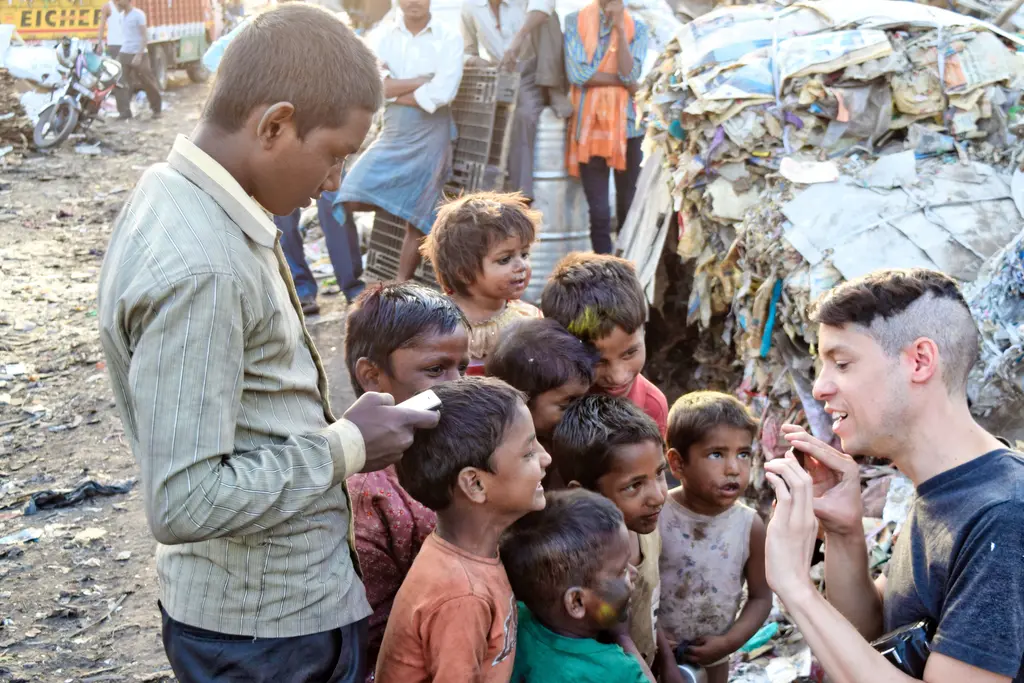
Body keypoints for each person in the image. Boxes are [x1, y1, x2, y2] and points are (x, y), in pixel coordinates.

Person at [96, 7, 440, 681]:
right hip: (263, 636)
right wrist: (347, 445)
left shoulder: (186, 194)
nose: (336, 179)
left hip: (266, 616)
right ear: (274, 125)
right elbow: (185, 499)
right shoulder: (204, 266)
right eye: (336, 153)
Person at [760, 268, 1024, 683]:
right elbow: (871, 632)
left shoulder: (1003, 516)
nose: (820, 388)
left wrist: (795, 586)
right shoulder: (940, 488)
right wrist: (843, 532)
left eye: (841, 363)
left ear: (920, 361)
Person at [375, 377, 552, 682]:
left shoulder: (466, 555)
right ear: (475, 484)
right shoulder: (462, 598)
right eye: (528, 453)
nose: (546, 457)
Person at [200, 6, 366, 315]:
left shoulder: (327, 24)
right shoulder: (261, 29)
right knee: (283, 216)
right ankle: (302, 288)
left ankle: (351, 285)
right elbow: (214, 61)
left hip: (316, 133)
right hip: (291, 141)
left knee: (334, 207)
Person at [343, 282, 470, 674]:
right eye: (435, 370)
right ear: (372, 377)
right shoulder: (368, 489)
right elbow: (373, 625)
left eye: (462, 367)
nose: (456, 385)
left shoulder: (459, 443)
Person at [552, 395, 682, 682]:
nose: (659, 495)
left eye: (659, 474)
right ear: (583, 493)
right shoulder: (590, 568)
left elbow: (648, 600)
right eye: (634, 485)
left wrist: (667, 661)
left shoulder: (645, 528)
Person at [339, 0, 463, 282]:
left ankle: (401, 283)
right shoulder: (381, 36)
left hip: (431, 135)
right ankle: (359, 279)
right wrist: (421, 80)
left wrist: (394, 88)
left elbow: (443, 93)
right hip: (394, 132)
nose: (413, 2)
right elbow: (371, 87)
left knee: (417, 217)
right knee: (347, 196)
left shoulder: (449, 36)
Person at [659, 392, 772, 683]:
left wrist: (729, 642)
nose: (734, 468)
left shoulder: (749, 526)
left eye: (743, 454)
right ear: (677, 463)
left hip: (714, 660)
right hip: (654, 655)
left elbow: (761, 598)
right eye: (717, 454)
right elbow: (636, 593)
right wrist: (658, 642)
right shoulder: (656, 517)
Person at [501, 488, 656, 682]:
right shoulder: (614, 670)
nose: (634, 573)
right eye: (622, 570)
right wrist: (624, 637)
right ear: (577, 602)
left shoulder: (515, 623)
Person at [540, 252, 667, 437]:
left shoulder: (651, 406)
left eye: (630, 353)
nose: (618, 377)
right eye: (598, 361)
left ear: (644, 330)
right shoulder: (549, 405)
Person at [420, 192, 543, 375]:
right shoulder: (436, 325)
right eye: (505, 259)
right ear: (463, 273)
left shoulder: (528, 320)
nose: (521, 266)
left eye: (524, 254)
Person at [461, 0, 570, 201]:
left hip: (532, 71)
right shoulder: (470, 6)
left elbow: (546, 4)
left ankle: (522, 196)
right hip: (498, 73)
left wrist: (518, 38)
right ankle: (483, 197)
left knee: (524, 115)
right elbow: (466, 51)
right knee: (482, 127)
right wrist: (478, 62)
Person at [564, 0, 648, 254]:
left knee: (628, 208)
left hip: (629, 128)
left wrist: (620, 29)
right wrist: (624, 84)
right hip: (590, 126)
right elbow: (578, 74)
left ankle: (628, 270)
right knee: (599, 212)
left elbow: (630, 75)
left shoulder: (638, 28)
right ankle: (605, 273)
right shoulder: (574, 21)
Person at [485, 318, 596, 452]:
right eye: (568, 403)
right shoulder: (503, 455)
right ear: (524, 400)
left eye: (584, 399)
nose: (582, 412)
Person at [113, 0, 161, 120]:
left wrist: (139, 55)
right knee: (119, 81)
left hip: (139, 53)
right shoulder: (121, 16)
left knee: (148, 82)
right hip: (125, 52)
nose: (117, 2)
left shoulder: (138, 15)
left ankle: (156, 110)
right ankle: (124, 112)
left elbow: (145, 36)